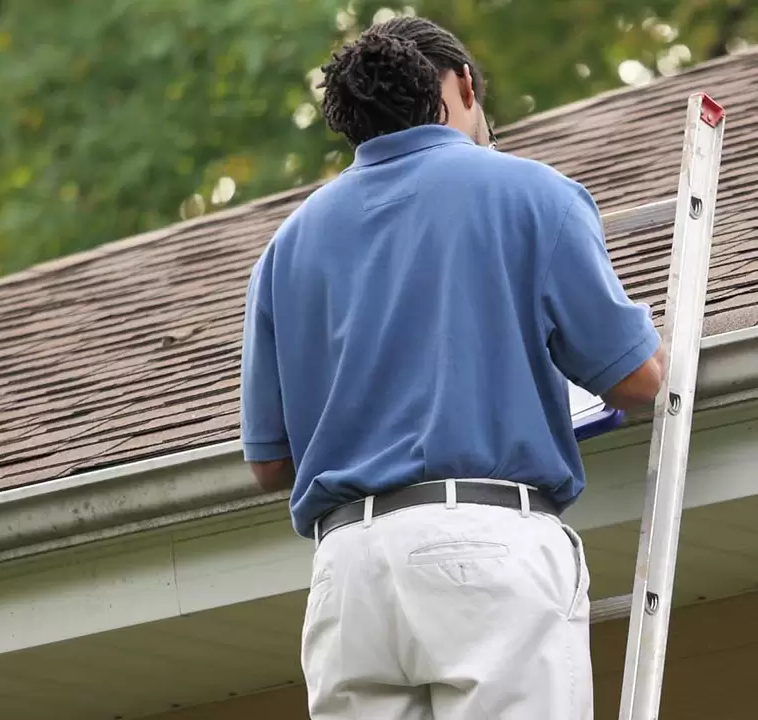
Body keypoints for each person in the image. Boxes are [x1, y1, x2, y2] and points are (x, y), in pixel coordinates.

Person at [237, 15, 664, 720]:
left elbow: (269, 465)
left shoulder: (286, 248)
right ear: (462, 85)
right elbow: (639, 380)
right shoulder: (531, 194)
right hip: (485, 549)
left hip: (346, 576)